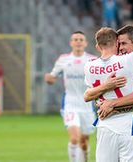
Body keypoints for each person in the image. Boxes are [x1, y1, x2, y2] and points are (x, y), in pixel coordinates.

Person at [84, 24, 133, 162]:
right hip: (128, 126)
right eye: (120, 44)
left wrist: (111, 104)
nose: (121, 48)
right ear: (115, 43)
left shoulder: (89, 65)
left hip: (110, 124)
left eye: (124, 43)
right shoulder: (127, 61)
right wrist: (106, 86)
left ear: (97, 46)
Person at [44, 31, 96, 162]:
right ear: (71, 43)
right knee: (74, 138)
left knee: (84, 142)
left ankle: (84, 159)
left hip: (87, 106)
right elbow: (52, 78)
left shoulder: (92, 60)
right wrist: (49, 79)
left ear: (85, 43)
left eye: (80, 39)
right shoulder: (63, 59)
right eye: (75, 39)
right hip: (70, 104)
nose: (78, 41)